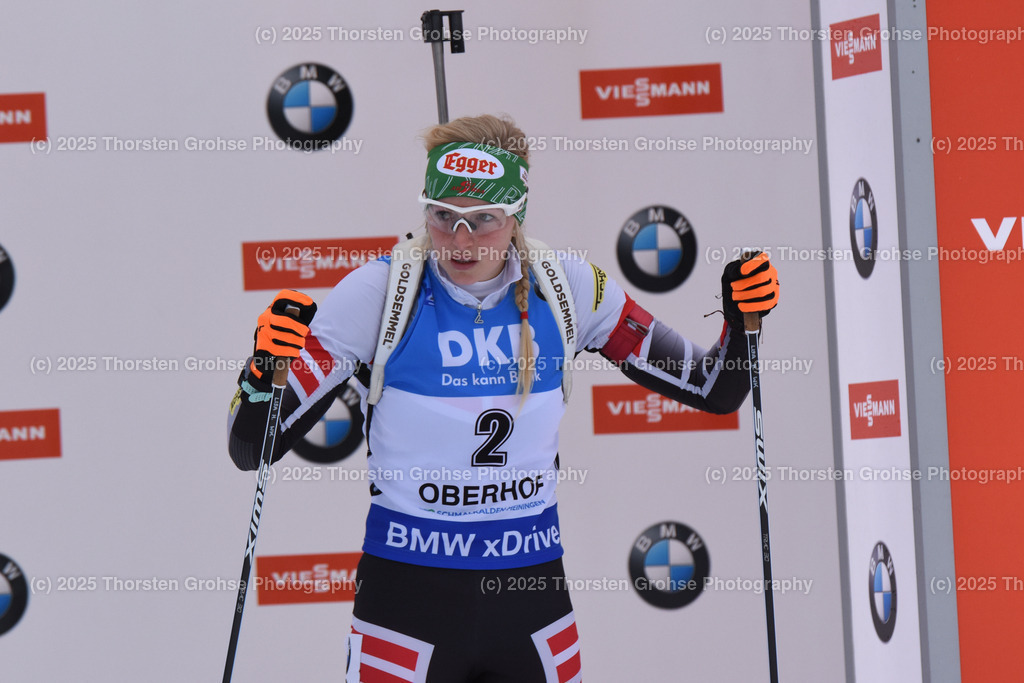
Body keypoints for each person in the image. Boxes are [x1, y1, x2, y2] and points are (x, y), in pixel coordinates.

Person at [227, 114, 779, 682]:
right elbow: (252, 449)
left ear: (516, 215)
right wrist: (263, 370)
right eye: (443, 217)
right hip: (408, 600)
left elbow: (714, 389)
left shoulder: (568, 286)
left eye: (483, 221)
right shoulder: (380, 292)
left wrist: (742, 321)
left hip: (530, 600)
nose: (461, 241)